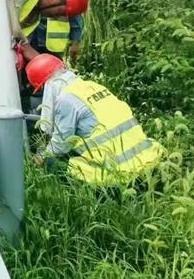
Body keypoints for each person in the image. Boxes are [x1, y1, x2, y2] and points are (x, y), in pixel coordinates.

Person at [25, 54, 163, 184]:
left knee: (50, 161)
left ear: (46, 86)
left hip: (117, 174)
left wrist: (41, 156)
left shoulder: (66, 99)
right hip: (148, 161)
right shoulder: (92, 86)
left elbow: (60, 145)